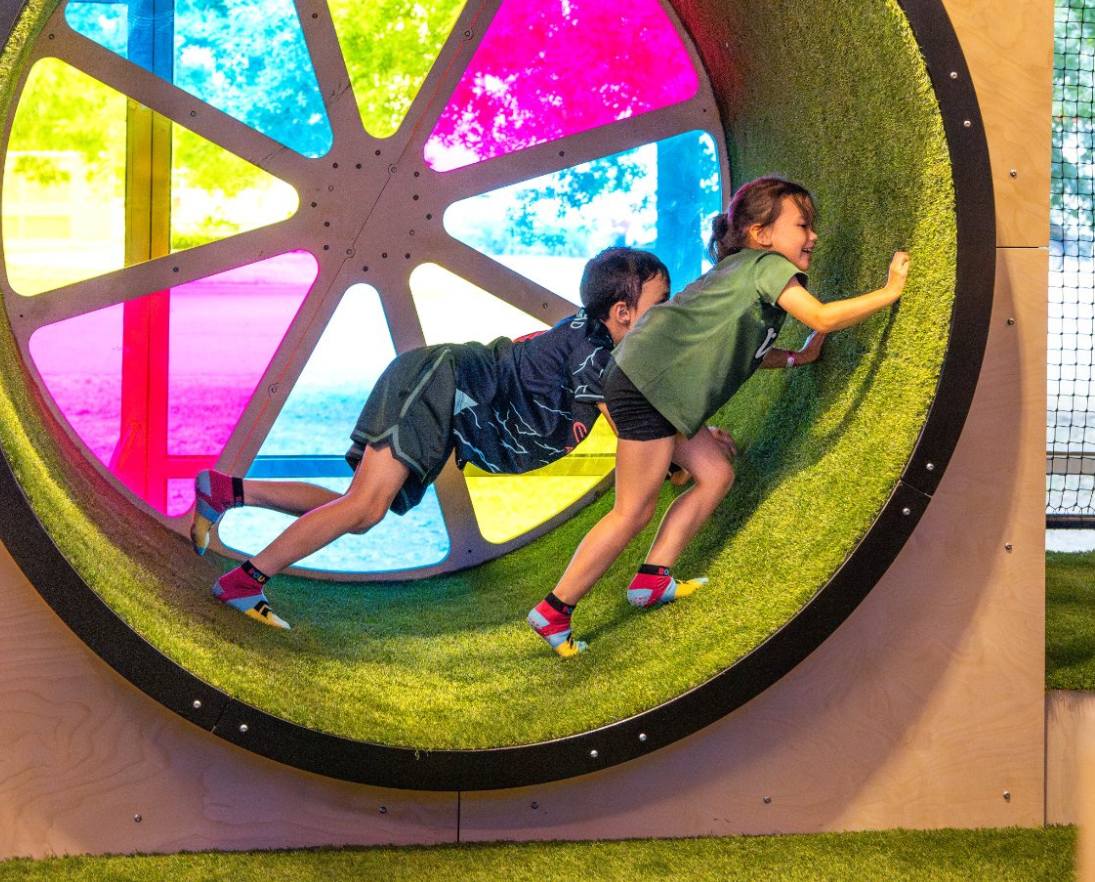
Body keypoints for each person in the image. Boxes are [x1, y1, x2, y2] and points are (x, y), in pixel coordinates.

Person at [528, 175, 911, 657]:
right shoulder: (768, 266)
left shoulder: (745, 273)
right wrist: (890, 291)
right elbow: (822, 316)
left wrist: (798, 357)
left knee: (713, 473)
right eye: (803, 224)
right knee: (634, 510)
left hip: (649, 382)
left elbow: (742, 348)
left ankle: (652, 579)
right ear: (762, 234)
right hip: (648, 385)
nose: (812, 235)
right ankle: (554, 610)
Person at [192, 246, 671, 629]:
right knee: (363, 507)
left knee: (360, 510)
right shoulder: (595, 352)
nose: (667, 316)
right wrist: (680, 450)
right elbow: (632, 425)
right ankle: (245, 580)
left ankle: (227, 492)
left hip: (438, 387)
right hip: (439, 384)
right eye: (661, 305)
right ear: (623, 311)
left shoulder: (593, 336)